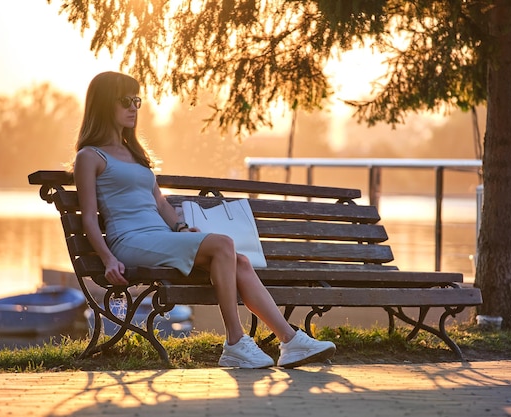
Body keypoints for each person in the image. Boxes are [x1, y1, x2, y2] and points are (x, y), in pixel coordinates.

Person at [73, 71, 336, 368]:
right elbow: (89, 220)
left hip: (160, 236)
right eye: (125, 101)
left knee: (240, 261)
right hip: (130, 241)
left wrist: (181, 227)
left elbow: (159, 201)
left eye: (137, 100)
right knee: (223, 245)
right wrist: (107, 259)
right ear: (104, 104)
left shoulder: (135, 154)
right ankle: (235, 342)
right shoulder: (90, 156)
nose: (134, 107)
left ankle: (290, 341)